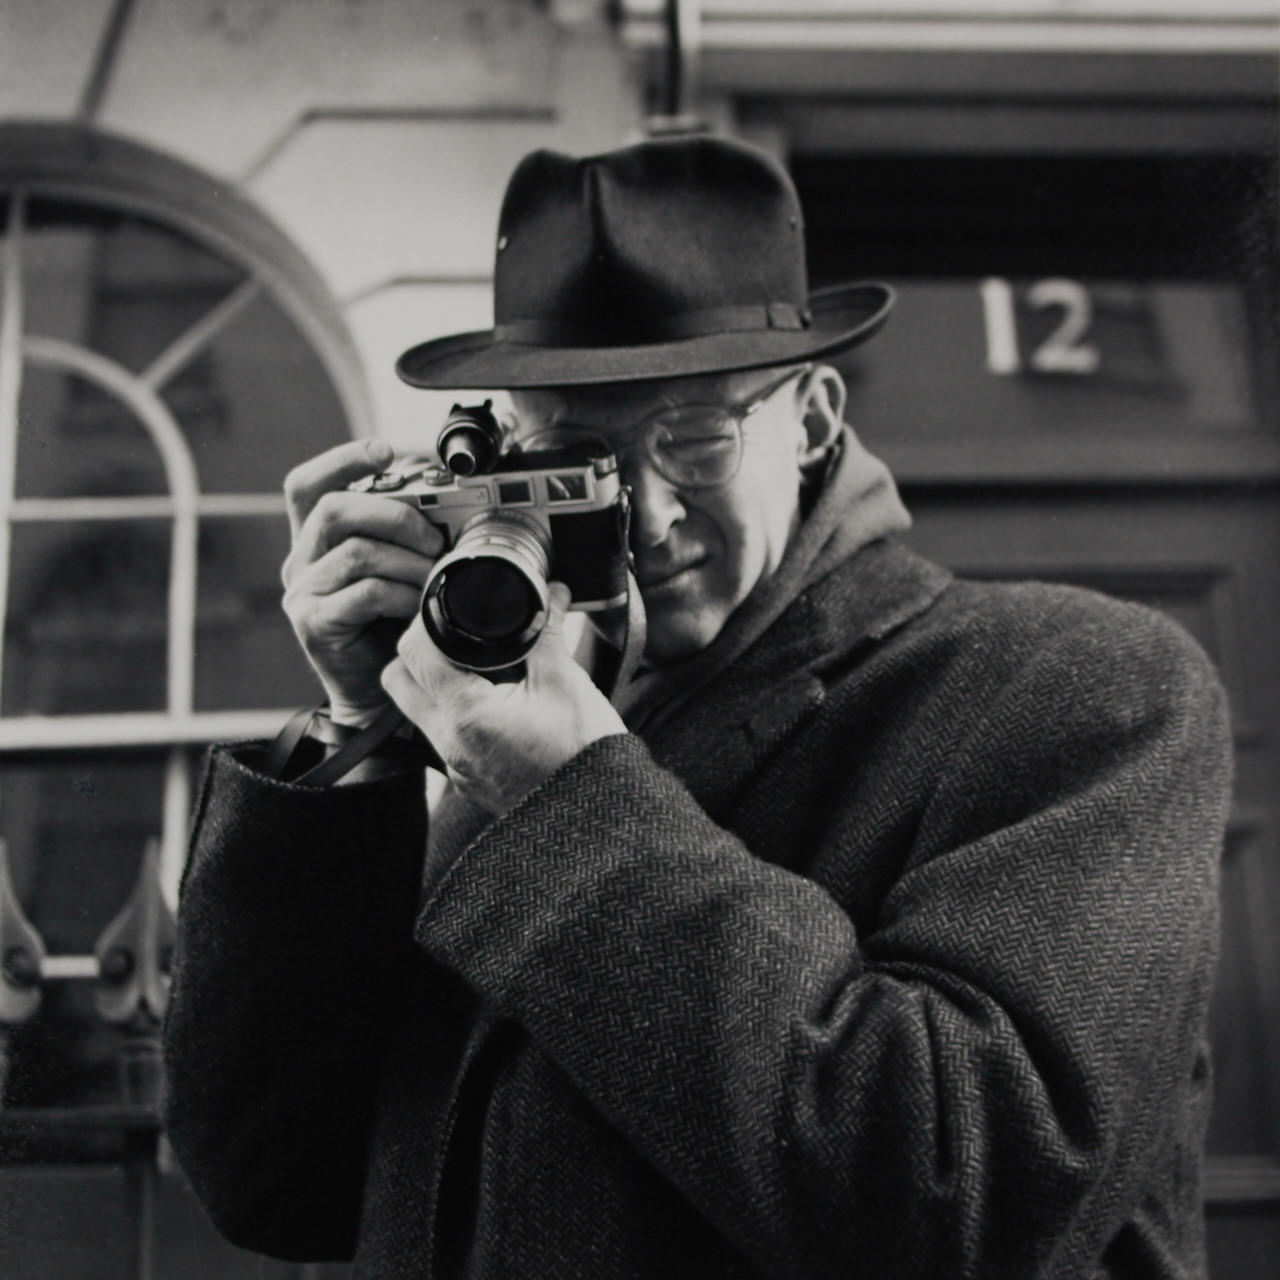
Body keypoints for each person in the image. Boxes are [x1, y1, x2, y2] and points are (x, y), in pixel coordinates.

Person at [161, 135, 1232, 1279]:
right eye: (573, 464)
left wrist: (565, 793)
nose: (648, 519)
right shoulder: (520, 733)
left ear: (813, 416)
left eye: (694, 439)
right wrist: (356, 738)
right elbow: (272, 1181)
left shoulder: (1078, 683)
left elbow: (964, 1199)